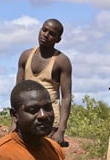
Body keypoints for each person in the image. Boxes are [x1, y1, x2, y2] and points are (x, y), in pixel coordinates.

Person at [16, 18, 72, 146]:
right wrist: (15, 120)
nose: (45, 35)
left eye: (51, 33)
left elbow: (66, 97)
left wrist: (61, 129)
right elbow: (17, 91)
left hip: (48, 120)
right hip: (27, 117)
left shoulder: (61, 61)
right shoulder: (26, 56)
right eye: (44, 30)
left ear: (58, 39)